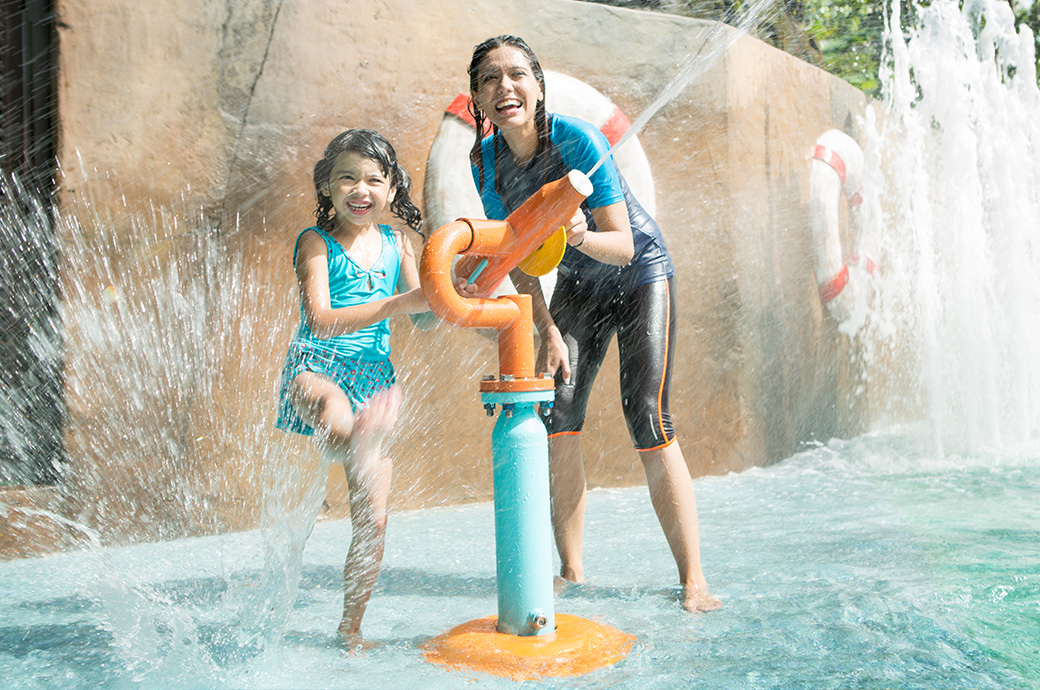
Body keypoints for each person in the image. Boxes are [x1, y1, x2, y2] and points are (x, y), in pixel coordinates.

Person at [463, 35, 720, 612]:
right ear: (477, 97)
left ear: (537, 85)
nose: (505, 87)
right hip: (578, 286)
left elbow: (624, 245)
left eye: (516, 75)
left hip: (637, 275)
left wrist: (578, 234)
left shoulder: (577, 139)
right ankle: (572, 570)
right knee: (557, 414)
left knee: (647, 416)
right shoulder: (484, 159)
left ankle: (693, 579)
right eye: (489, 79)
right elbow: (517, 251)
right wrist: (546, 326)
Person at [275, 129, 435, 649]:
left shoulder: (398, 242)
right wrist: (397, 305)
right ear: (327, 186)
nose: (360, 189)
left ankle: (351, 629)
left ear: (392, 189)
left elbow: (426, 318)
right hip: (316, 368)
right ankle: (356, 442)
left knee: (374, 519)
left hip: (375, 378)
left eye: (374, 179)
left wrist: (450, 288)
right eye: (347, 177)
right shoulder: (314, 242)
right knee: (335, 408)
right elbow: (319, 320)